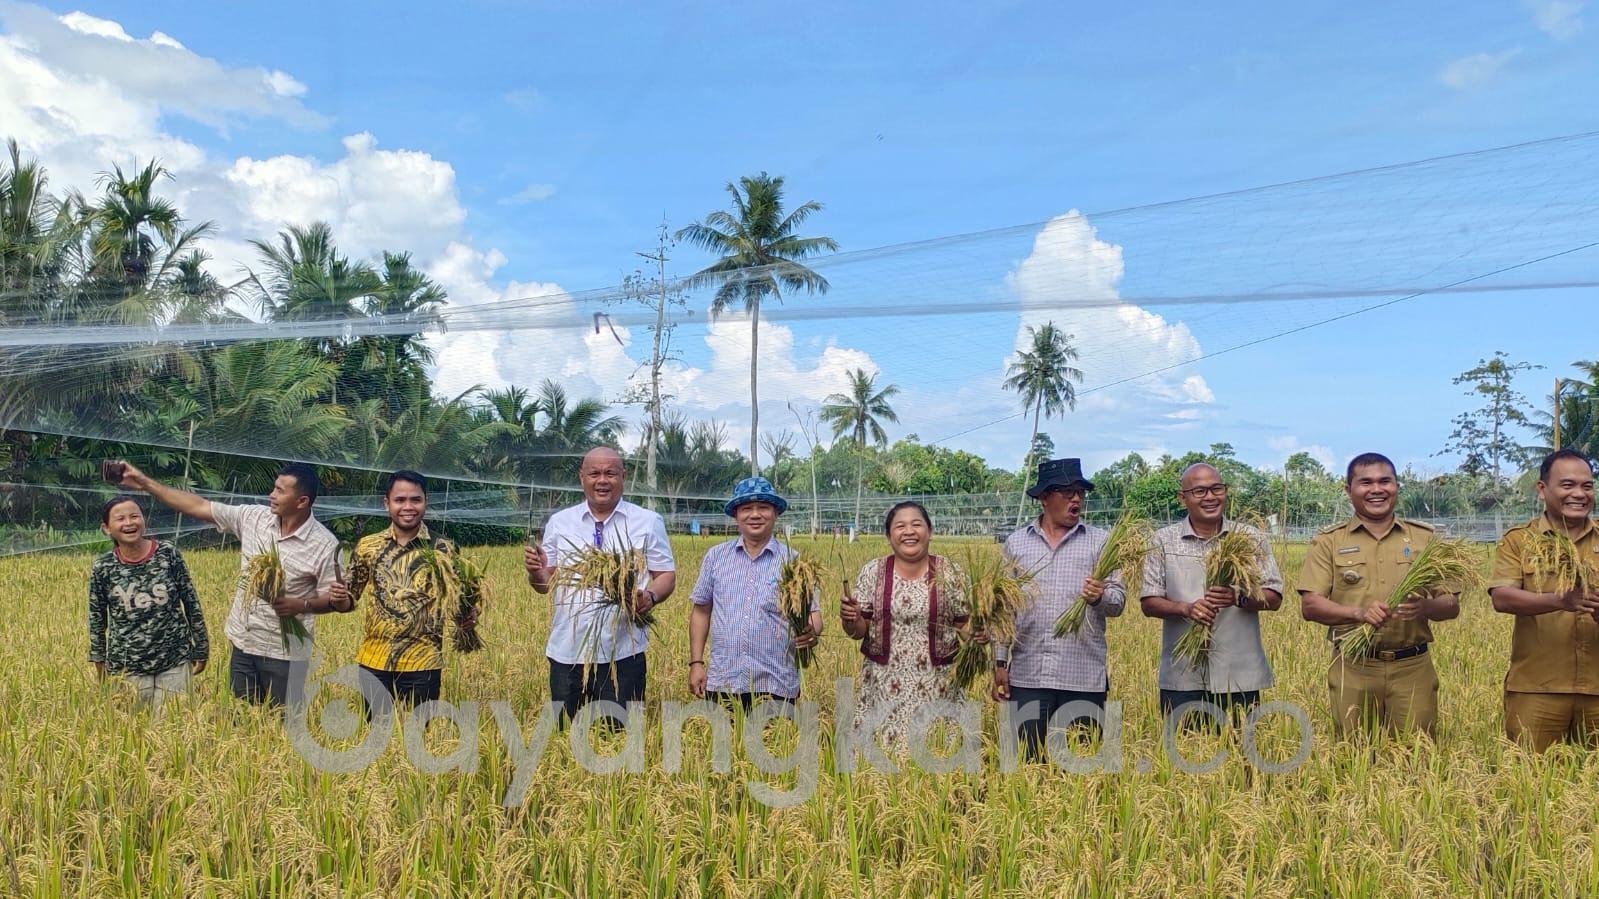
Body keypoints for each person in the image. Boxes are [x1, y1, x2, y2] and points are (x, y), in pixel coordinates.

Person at [112, 460, 348, 707]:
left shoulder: (324, 545)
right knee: (242, 719)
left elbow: (333, 600)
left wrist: (301, 604)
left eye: (280, 491)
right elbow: (198, 506)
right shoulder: (254, 519)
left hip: (285, 654)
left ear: (302, 502)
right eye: (274, 488)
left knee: (282, 724)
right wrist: (145, 483)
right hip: (244, 644)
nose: (272, 495)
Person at [1299, 452, 1460, 737]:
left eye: (1385, 481)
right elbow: (1310, 605)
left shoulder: (1426, 538)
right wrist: (1358, 614)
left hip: (1413, 667)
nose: (1376, 490)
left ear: (1397, 486)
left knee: (1418, 759)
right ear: (1349, 490)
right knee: (1353, 759)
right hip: (1353, 666)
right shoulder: (1329, 541)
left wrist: (1425, 607)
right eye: (1366, 483)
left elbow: (1451, 604)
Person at [524, 447, 676, 725]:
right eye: (594, 473)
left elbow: (666, 574)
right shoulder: (560, 522)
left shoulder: (648, 521)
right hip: (568, 650)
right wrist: (535, 572)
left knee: (621, 735)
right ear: (582, 478)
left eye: (610, 473)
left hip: (623, 650)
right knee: (565, 732)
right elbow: (545, 584)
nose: (602, 480)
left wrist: (650, 597)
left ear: (624, 477)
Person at [990, 458, 1125, 756]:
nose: (1076, 498)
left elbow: (1118, 602)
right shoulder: (1016, 544)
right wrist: (999, 662)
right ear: (1044, 497)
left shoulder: (1102, 543)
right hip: (1028, 675)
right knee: (1024, 767)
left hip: (1083, 676)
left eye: (1080, 492)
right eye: (1067, 491)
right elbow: (1003, 610)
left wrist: (1100, 595)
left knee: (1081, 771)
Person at [1139, 463, 1283, 727]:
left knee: (1243, 760)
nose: (1210, 497)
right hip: (1182, 675)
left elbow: (1274, 596)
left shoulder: (1250, 538)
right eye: (1200, 491)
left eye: (1216, 488)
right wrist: (1185, 609)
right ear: (1183, 498)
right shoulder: (1161, 541)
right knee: (1184, 757)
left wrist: (1237, 596)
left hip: (1240, 676)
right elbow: (1149, 601)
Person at [337, 470, 481, 713]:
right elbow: (349, 600)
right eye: (400, 500)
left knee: (418, 741)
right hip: (375, 660)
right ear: (387, 503)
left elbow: (457, 599)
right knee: (375, 739)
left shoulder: (443, 548)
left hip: (423, 661)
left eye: (416, 499)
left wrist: (467, 617)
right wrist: (339, 599)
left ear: (426, 502)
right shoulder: (368, 546)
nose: (408, 507)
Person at [1488, 449, 1599, 750]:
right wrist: (1561, 600)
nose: (1579, 494)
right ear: (1542, 489)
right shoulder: (1519, 541)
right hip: (1537, 690)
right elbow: (1503, 597)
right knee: (1532, 784)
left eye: (1587, 486)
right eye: (1567, 485)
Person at [840, 501, 970, 751]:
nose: (909, 531)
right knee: (881, 766)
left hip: (939, 687)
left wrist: (980, 633)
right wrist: (850, 618)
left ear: (930, 531)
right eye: (900, 526)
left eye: (916, 524)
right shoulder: (873, 572)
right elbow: (858, 632)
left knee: (938, 762)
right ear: (889, 536)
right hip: (883, 688)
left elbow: (963, 625)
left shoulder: (951, 572)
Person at [687, 477, 822, 712]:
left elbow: (813, 615)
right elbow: (701, 611)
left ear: (775, 513)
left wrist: (810, 632)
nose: (755, 514)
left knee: (774, 748)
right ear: (736, 515)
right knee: (722, 747)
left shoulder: (794, 562)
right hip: (724, 679)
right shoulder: (716, 557)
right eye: (747, 508)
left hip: (776, 682)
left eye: (764, 508)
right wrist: (697, 663)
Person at [88, 494, 210, 710]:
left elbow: (191, 601)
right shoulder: (103, 567)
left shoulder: (168, 554)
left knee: (175, 732)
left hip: (174, 661)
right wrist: (99, 663)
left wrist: (201, 646)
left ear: (144, 520)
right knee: (131, 734)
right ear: (106, 528)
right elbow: (97, 619)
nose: (129, 523)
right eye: (120, 518)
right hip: (127, 667)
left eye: (135, 516)